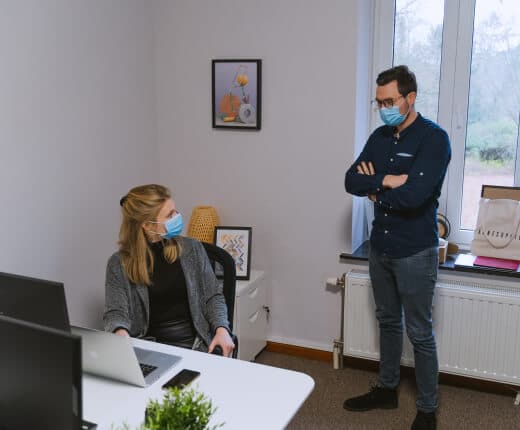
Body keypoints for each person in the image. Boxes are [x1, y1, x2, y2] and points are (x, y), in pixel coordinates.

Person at [344, 65, 451, 430]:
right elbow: (350, 180)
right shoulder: (379, 137)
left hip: (415, 252)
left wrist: (374, 190)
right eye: (379, 102)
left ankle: (427, 408)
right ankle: (387, 389)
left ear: (410, 98)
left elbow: (416, 196)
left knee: (419, 332)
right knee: (388, 322)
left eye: (389, 101)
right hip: (381, 247)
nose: (384, 108)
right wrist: (388, 180)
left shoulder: (434, 139)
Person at [103, 184, 235, 357]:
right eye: (169, 215)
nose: (177, 217)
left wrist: (222, 329)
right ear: (147, 225)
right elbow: (115, 312)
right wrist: (120, 333)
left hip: (196, 345)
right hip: (150, 349)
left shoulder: (192, 249)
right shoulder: (118, 264)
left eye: (175, 211)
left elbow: (213, 297)